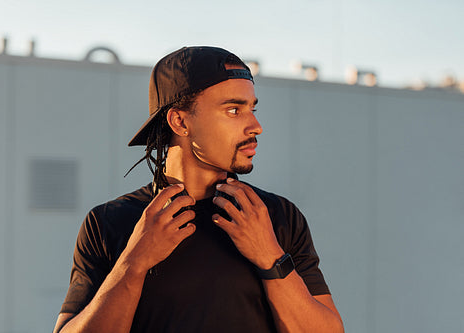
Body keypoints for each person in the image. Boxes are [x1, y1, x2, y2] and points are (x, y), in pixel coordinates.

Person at [53, 46, 344, 333]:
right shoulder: (108, 223)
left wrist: (271, 258)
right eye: (234, 110)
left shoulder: (276, 217)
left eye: (252, 109)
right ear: (180, 121)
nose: (256, 126)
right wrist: (133, 264)